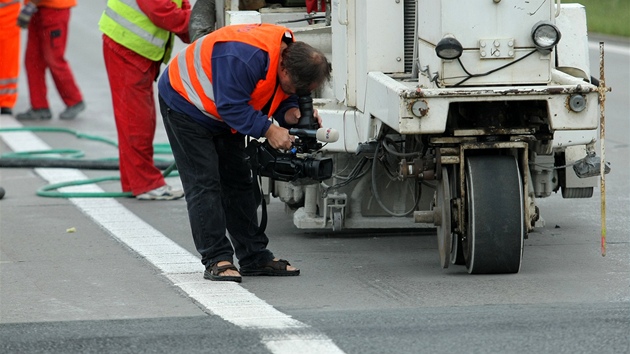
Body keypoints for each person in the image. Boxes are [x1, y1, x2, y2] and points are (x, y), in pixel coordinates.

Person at [158, 23, 331, 282]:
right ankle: (217, 258)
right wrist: (271, 131)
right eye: (296, 88)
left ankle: (254, 257)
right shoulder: (244, 58)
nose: (297, 93)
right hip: (186, 104)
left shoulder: (285, 58)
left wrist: (293, 113)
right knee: (205, 183)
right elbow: (232, 108)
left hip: (221, 113)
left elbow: (279, 94)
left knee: (239, 181)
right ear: (284, 68)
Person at [98, 0, 191, 200]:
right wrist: (199, 25)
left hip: (135, 50)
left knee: (137, 119)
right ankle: (145, 183)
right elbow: (161, 11)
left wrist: (194, 26)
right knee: (135, 122)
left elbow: (179, 7)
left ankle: (133, 181)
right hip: (126, 48)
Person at [15, 0, 85, 121]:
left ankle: (74, 101)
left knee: (54, 59)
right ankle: (39, 107)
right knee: (33, 60)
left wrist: (31, 5)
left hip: (54, 10)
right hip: (38, 9)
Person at [0, 0, 21, 115]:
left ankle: (6, 101)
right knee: (8, 61)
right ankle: (6, 101)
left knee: (8, 62)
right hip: (10, 18)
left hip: (9, 19)